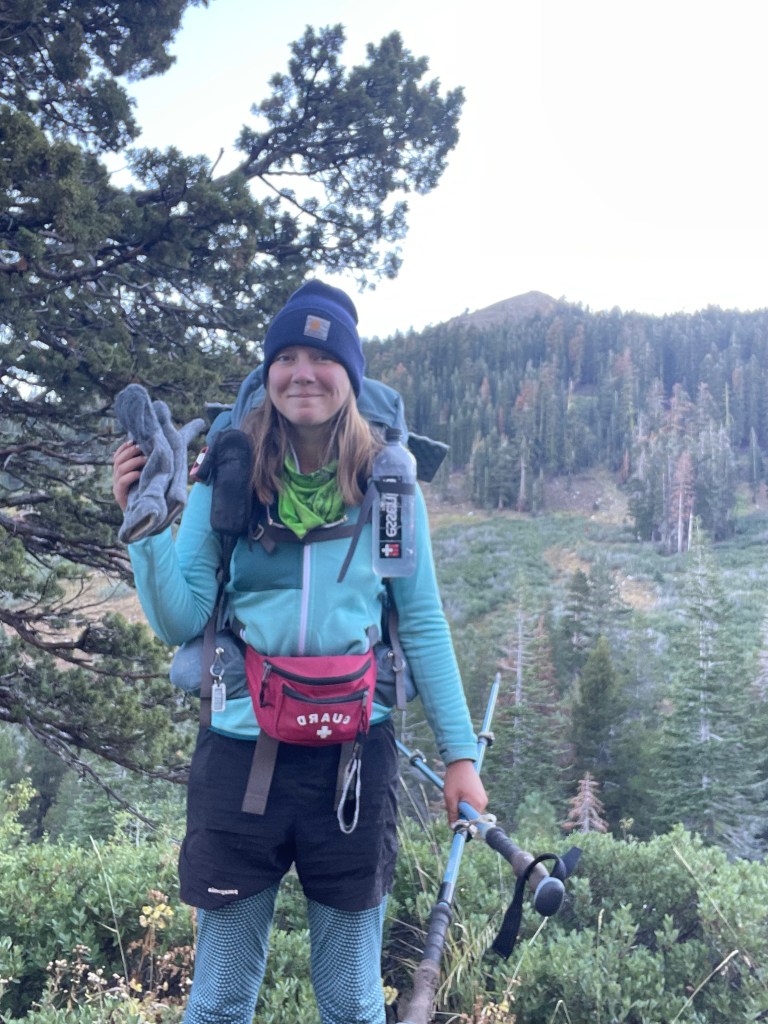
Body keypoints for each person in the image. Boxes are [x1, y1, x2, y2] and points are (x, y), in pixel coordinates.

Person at [112, 280, 488, 1024]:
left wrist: (460, 757)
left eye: (322, 358)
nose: (302, 373)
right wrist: (147, 527)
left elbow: (421, 622)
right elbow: (181, 617)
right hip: (240, 752)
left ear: (351, 374)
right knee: (220, 999)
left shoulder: (387, 487)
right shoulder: (228, 472)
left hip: (353, 762)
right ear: (268, 370)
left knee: (350, 1000)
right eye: (285, 357)